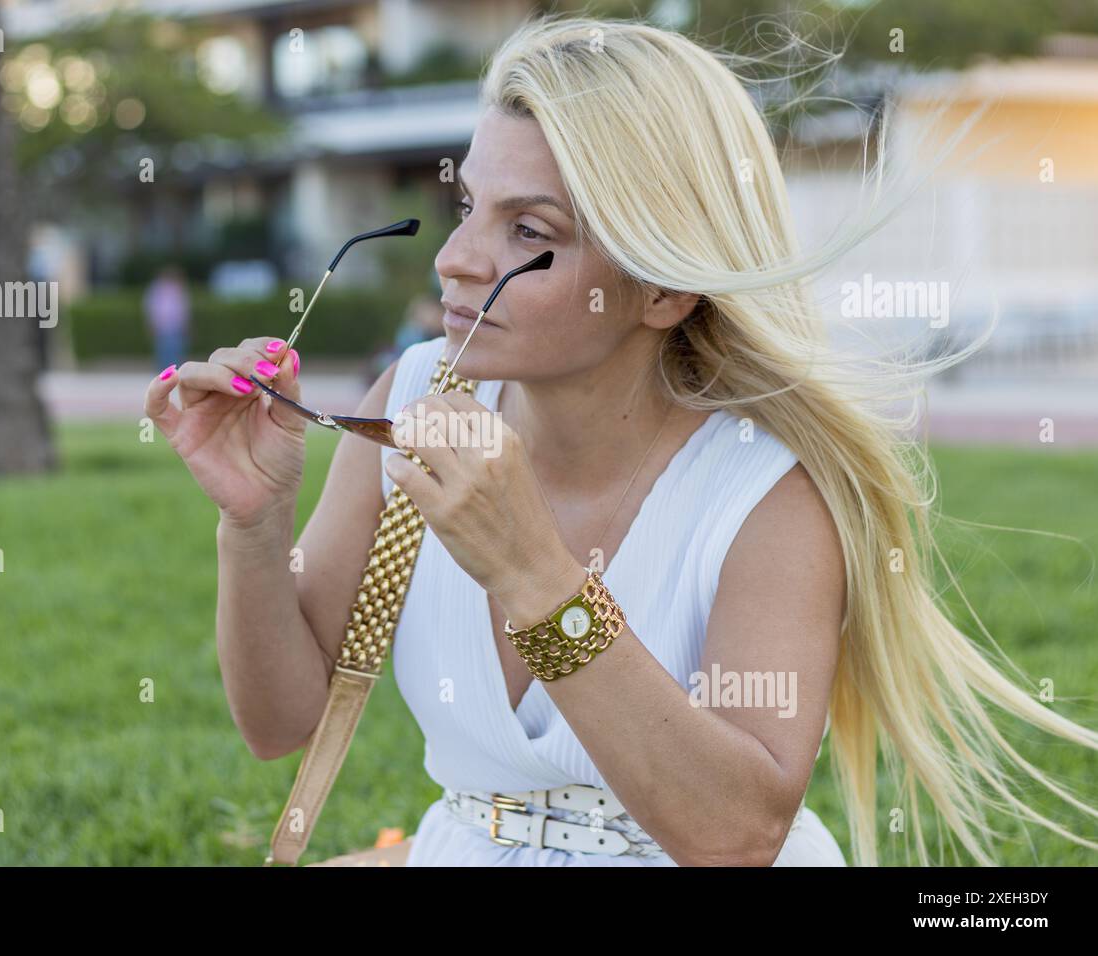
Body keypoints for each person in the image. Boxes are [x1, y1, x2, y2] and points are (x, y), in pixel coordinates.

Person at [144, 14, 1098, 866]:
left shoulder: (766, 491)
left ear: (663, 289)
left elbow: (734, 837)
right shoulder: (417, 396)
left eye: (530, 231)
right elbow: (281, 722)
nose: (457, 257)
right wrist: (256, 525)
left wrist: (530, 569)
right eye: (470, 205)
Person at [144, 265, 191, 373]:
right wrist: (152, 324)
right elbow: (151, 308)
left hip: (175, 326)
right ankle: (164, 372)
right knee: (164, 351)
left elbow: (184, 310)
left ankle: (173, 372)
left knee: (176, 350)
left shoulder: (179, 289)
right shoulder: (157, 289)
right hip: (163, 326)